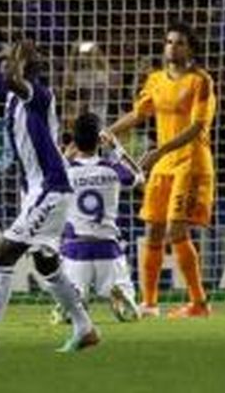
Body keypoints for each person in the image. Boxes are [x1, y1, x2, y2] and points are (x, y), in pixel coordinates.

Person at [0, 40, 98, 357]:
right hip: (35, 191)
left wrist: (17, 59)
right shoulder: (9, 94)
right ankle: (85, 328)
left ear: (30, 69)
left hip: (51, 187)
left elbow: (11, 79)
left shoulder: (39, 94)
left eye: (26, 58)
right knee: (45, 263)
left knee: (4, 254)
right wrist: (1, 53)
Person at [108, 22, 216, 318]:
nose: (172, 47)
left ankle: (199, 303)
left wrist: (160, 151)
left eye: (179, 42)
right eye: (169, 41)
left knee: (175, 229)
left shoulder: (201, 81)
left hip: (190, 162)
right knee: (153, 229)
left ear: (191, 48)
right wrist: (109, 132)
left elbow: (197, 127)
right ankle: (149, 303)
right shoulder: (155, 79)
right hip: (163, 163)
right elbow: (138, 113)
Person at [52, 112, 142, 324]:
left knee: (69, 285)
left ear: (75, 141)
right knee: (130, 308)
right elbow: (138, 176)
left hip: (75, 249)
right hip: (108, 248)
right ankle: (122, 295)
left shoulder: (66, 173)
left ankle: (73, 299)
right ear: (100, 139)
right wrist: (116, 148)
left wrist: (64, 157)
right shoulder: (112, 169)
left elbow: (48, 184)